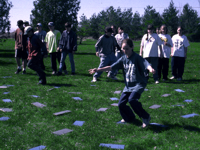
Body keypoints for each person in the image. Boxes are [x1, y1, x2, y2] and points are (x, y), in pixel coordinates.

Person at [89, 39, 155, 128]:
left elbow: (146, 63)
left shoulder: (136, 57)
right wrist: (98, 69)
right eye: (123, 49)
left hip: (138, 84)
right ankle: (129, 117)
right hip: (128, 86)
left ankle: (145, 117)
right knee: (121, 104)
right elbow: (111, 67)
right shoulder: (123, 59)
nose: (125, 51)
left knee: (132, 100)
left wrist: (150, 69)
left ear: (132, 48)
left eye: (127, 49)